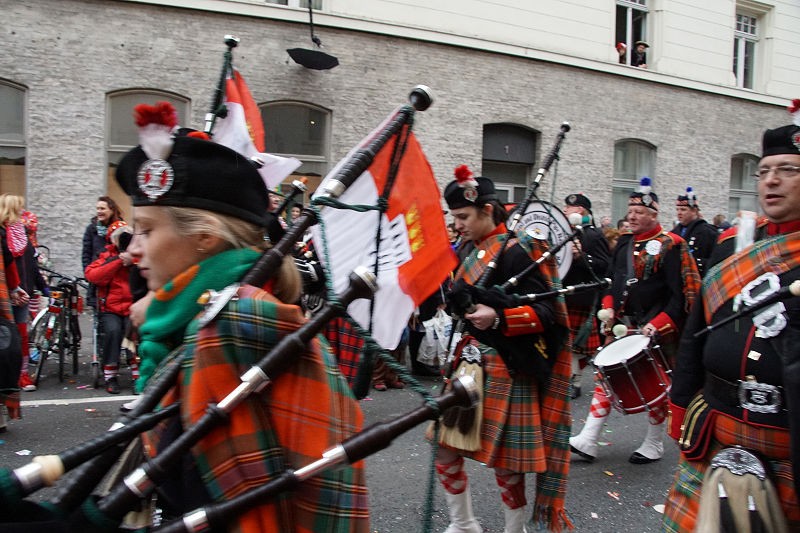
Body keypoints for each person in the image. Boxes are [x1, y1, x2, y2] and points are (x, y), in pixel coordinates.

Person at [115, 101, 368, 530]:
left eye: (148, 230)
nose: (132, 249)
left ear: (205, 238)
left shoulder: (237, 322)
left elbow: (326, 497)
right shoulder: (184, 323)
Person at [662, 102, 800, 531]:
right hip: (716, 428)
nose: (771, 180)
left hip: (787, 440)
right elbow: (696, 333)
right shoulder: (732, 245)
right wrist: (680, 402)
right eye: (765, 171)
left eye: (788, 170)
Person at [435, 165, 572, 533]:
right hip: (467, 362)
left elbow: (548, 313)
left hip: (506, 365)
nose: (457, 225)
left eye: (463, 217)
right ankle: (464, 524)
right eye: (454, 217)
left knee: (507, 465)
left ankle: (515, 529)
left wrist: (497, 318)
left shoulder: (519, 250)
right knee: (445, 447)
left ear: (487, 210)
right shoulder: (469, 247)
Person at [570, 177, 700, 465]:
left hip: (657, 327)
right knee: (606, 376)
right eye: (630, 211)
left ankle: (653, 443)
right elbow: (612, 282)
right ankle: (588, 438)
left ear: (653, 214)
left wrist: (660, 323)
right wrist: (607, 308)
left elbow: (680, 295)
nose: (632, 216)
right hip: (623, 324)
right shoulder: (625, 243)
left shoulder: (671, 245)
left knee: (658, 386)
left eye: (639, 212)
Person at [562, 193, 611, 399]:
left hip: (581, 296)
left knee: (576, 345)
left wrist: (582, 256)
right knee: (564, 341)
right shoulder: (565, 232)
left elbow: (605, 265)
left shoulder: (594, 235)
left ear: (580, 210)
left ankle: (575, 381)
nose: (565, 210)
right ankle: (565, 378)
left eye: (569, 207)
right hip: (563, 292)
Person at [84, 220, 134, 394]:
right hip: (110, 308)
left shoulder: (138, 254)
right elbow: (93, 275)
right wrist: (118, 261)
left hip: (132, 306)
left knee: (134, 331)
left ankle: (138, 374)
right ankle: (110, 376)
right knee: (113, 331)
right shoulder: (105, 255)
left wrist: (133, 260)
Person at [82, 196, 124, 309]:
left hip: (115, 278)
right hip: (97, 276)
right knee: (98, 311)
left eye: (102, 208)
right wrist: (87, 273)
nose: (99, 211)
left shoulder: (121, 228)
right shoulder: (91, 229)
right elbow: (86, 253)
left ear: (112, 210)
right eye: (98, 208)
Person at [671, 187, 719, 276]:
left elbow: (715, 261)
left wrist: (692, 262)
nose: (679, 213)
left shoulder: (707, 232)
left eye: (683, 209)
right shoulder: (673, 232)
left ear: (694, 211)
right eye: (677, 209)